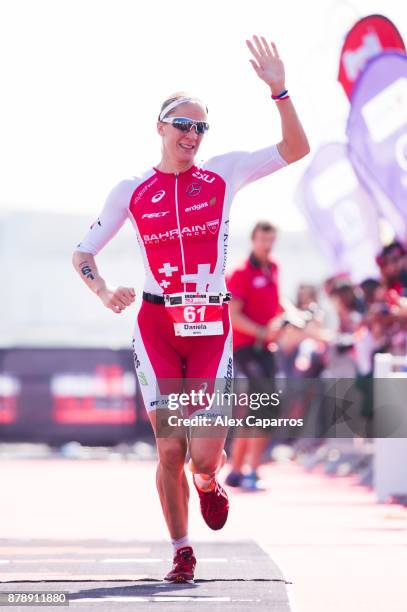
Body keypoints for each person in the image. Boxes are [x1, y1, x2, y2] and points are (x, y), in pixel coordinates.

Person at [72, 35, 309, 583]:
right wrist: (104, 290)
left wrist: (279, 90)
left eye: (201, 126)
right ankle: (181, 549)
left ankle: (209, 482)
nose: (192, 135)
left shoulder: (223, 173)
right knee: (170, 451)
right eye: (182, 124)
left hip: (210, 328)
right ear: (160, 127)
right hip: (157, 325)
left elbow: (295, 148)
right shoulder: (132, 190)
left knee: (202, 458)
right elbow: (84, 253)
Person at [225, 221, 284, 491]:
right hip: (245, 349)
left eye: (271, 240)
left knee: (261, 409)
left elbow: (276, 305)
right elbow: (233, 315)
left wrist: (289, 318)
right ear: (253, 239)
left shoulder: (273, 268)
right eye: (262, 239)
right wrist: (262, 332)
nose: (267, 245)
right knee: (259, 407)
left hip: (266, 350)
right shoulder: (239, 273)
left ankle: (242, 470)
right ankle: (244, 469)